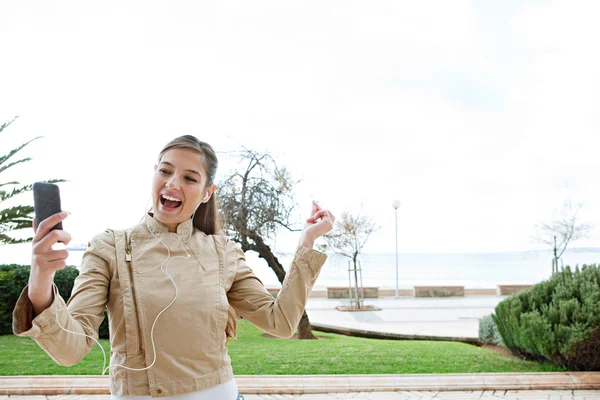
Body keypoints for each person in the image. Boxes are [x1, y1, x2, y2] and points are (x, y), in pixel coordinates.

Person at [13, 135, 335, 400]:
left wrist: (307, 241)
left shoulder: (223, 252)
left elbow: (280, 322)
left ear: (208, 192)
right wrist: (41, 280)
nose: (173, 183)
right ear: (154, 173)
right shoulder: (109, 247)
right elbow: (71, 349)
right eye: (165, 171)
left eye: (189, 177)